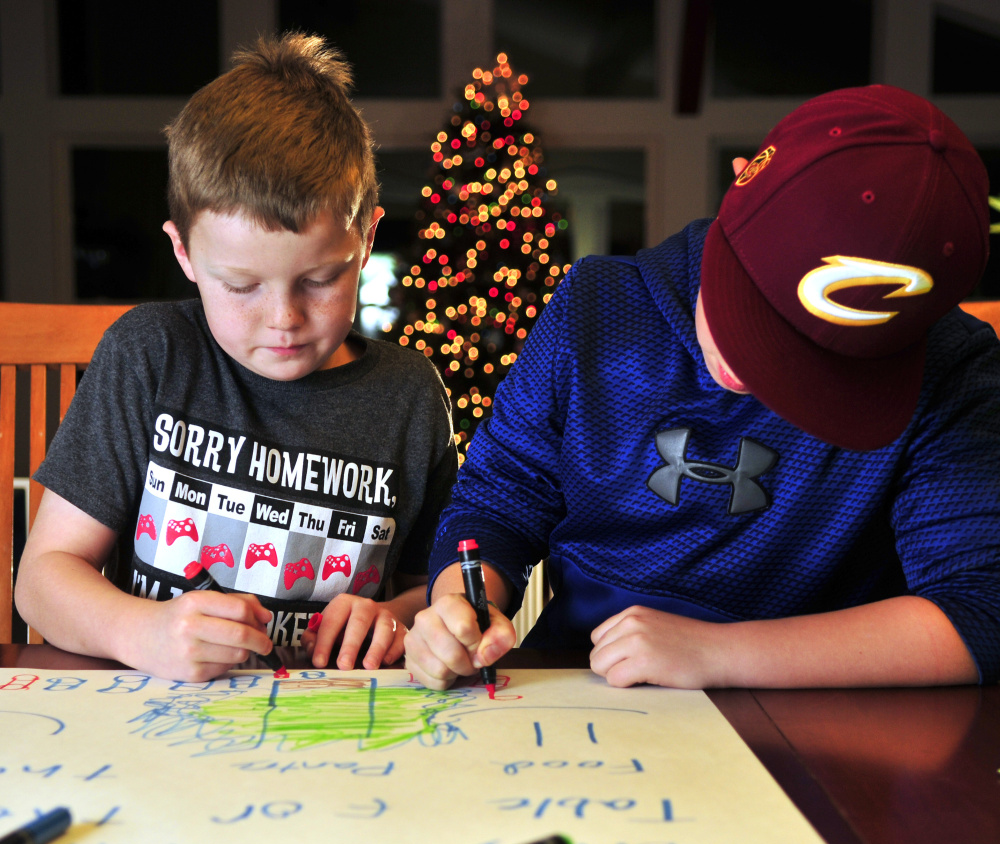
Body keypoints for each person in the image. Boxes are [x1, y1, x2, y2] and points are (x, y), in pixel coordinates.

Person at [403, 84, 1000, 691]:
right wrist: (456, 604)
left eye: (815, 363)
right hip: (581, 690)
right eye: (752, 314)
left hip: (819, 714)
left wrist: (723, 654)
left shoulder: (954, 370)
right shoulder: (595, 308)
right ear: (739, 186)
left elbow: (981, 609)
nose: (748, 374)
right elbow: (500, 498)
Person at [15, 34, 457, 683]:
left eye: (320, 279)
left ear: (365, 241)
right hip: (158, 725)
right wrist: (144, 632)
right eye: (242, 286)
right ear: (184, 254)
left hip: (331, 730)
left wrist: (398, 617)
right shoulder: (152, 355)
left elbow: (434, 590)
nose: (284, 319)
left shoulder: (410, 396)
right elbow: (43, 580)